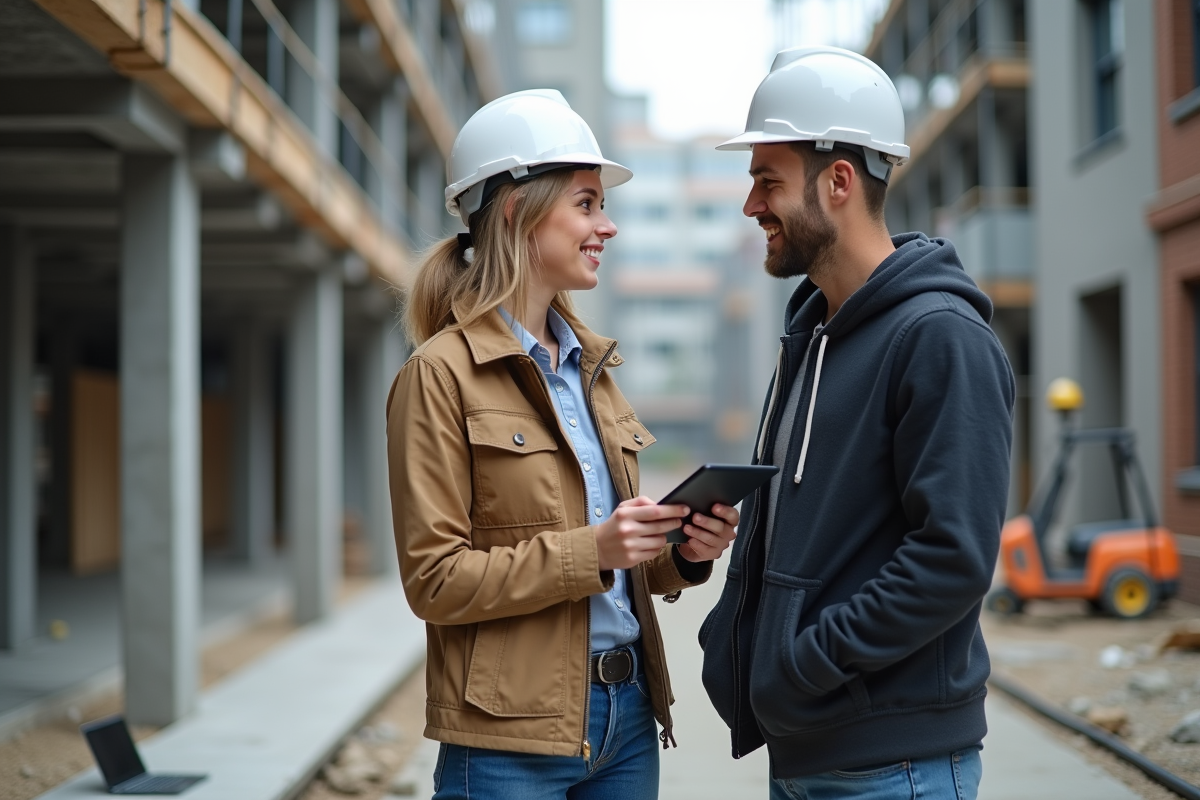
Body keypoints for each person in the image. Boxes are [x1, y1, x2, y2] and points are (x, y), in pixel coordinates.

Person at [386, 89, 740, 800]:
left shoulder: (592, 369)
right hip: (507, 742)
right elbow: (435, 581)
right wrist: (595, 550)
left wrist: (680, 553)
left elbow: (616, 565)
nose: (607, 225)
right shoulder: (439, 375)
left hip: (628, 721)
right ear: (516, 211)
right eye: (586, 203)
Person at [698, 47, 1015, 800]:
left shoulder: (940, 337)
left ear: (838, 182)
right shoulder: (813, 333)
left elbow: (952, 558)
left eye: (768, 181)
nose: (751, 205)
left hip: (892, 767)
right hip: (807, 752)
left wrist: (806, 663)